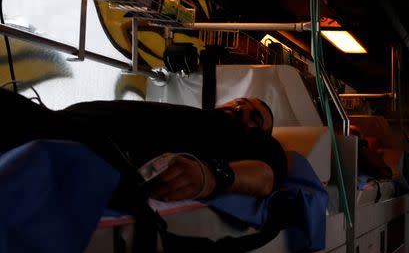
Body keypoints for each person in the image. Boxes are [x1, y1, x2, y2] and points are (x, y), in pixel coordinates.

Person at [0, 89, 288, 200]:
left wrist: (212, 176)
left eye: (255, 118)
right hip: (58, 125)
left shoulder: (251, 142)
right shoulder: (193, 118)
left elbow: (266, 176)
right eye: (239, 103)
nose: (240, 112)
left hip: (81, 150)